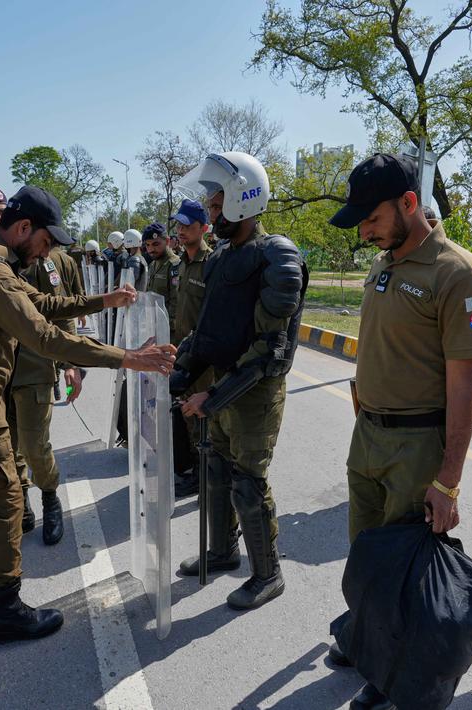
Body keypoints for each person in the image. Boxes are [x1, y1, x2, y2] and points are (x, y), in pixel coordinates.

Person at [0, 185, 176, 643]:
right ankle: (6, 608)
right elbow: (43, 335)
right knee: (5, 501)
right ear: (23, 228)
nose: (47, 253)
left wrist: (103, 301)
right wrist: (127, 357)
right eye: (44, 242)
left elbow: (43, 304)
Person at [322, 154, 472, 709]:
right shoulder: (386, 261)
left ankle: (388, 672)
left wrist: (448, 481)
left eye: (370, 219)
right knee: (365, 553)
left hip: (418, 443)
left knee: (402, 567)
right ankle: (364, 636)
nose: (365, 231)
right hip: (368, 435)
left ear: (409, 203)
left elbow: (466, 384)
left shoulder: (457, 273)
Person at [172, 151, 308, 610]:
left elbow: (269, 352)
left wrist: (212, 395)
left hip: (254, 392)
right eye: (209, 208)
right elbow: (207, 330)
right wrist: (178, 374)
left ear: (241, 200)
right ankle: (222, 551)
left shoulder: (277, 257)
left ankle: (267, 574)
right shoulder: (222, 259)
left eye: (215, 207)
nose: (211, 216)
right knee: (215, 470)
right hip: (222, 386)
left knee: (248, 481)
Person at [9, 244, 85, 546]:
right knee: (8, 449)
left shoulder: (44, 262)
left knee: (33, 446)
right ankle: (22, 501)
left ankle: (50, 499)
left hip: (33, 368)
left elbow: (60, 309)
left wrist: (69, 362)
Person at [169, 199, 214, 496]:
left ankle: (207, 478)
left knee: (203, 418)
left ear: (205, 229)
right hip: (182, 354)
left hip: (205, 359)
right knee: (186, 414)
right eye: (180, 225)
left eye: (188, 226)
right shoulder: (182, 263)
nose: (182, 230)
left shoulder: (212, 263)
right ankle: (197, 472)